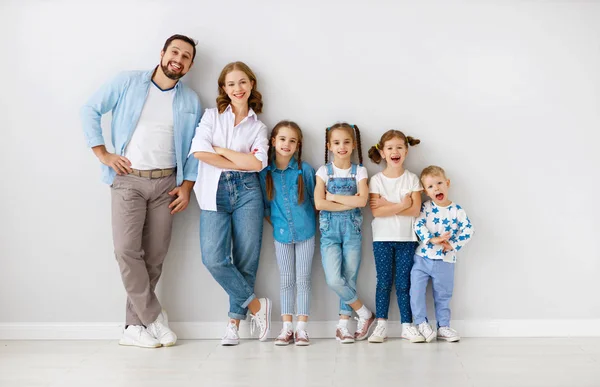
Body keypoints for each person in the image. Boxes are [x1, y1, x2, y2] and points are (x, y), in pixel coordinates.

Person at [80, 34, 202, 348]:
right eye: (174, 51)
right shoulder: (128, 82)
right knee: (126, 250)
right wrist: (103, 154)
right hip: (128, 180)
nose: (178, 58)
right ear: (162, 53)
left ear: (189, 66)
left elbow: (194, 149)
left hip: (167, 184)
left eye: (186, 56)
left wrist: (187, 187)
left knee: (156, 256)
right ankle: (153, 318)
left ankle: (132, 328)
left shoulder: (190, 100)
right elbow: (90, 109)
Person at [190, 61, 271, 346]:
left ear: (251, 85)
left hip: (248, 192)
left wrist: (221, 150)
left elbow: (258, 163)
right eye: (231, 84)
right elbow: (200, 152)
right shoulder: (211, 116)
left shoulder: (259, 126)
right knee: (213, 258)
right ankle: (257, 307)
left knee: (246, 260)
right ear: (224, 88)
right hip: (213, 190)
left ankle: (233, 324)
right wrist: (239, 159)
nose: (237, 88)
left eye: (242, 82)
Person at [314, 123, 374, 344]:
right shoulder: (323, 171)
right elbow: (319, 204)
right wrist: (346, 203)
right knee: (334, 279)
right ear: (329, 146)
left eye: (346, 142)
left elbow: (362, 200)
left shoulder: (360, 171)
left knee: (349, 278)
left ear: (353, 145)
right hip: (329, 233)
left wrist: (333, 198)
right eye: (337, 143)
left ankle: (343, 326)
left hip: (352, 231)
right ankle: (365, 313)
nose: (342, 147)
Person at [259, 121, 316, 346]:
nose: (287, 144)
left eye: (292, 140)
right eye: (282, 139)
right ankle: (286, 328)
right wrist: (279, 225)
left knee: (303, 279)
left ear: (298, 145)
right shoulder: (265, 173)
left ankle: (302, 328)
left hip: (306, 233)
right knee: (286, 280)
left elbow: (315, 200)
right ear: (273, 141)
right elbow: (265, 207)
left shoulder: (306, 170)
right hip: (281, 236)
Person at [366, 130, 425, 343]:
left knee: (403, 284)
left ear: (406, 151)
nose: (395, 152)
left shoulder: (412, 179)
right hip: (382, 239)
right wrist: (402, 204)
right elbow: (376, 212)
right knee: (383, 282)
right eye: (390, 148)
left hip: (407, 240)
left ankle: (407, 326)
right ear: (382, 153)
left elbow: (415, 210)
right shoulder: (376, 180)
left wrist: (388, 205)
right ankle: (381, 325)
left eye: (399, 147)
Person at [411, 165, 474, 342]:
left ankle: (444, 326)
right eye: (430, 186)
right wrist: (432, 239)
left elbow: (469, 230)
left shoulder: (457, 210)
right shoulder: (425, 207)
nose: (436, 188)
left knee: (443, 295)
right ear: (425, 191)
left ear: (447, 183)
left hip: (445, 260)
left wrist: (451, 244)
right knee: (416, 291)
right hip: (422, 257)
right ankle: (421, 323)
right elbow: (417, 224)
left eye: (439, 183)